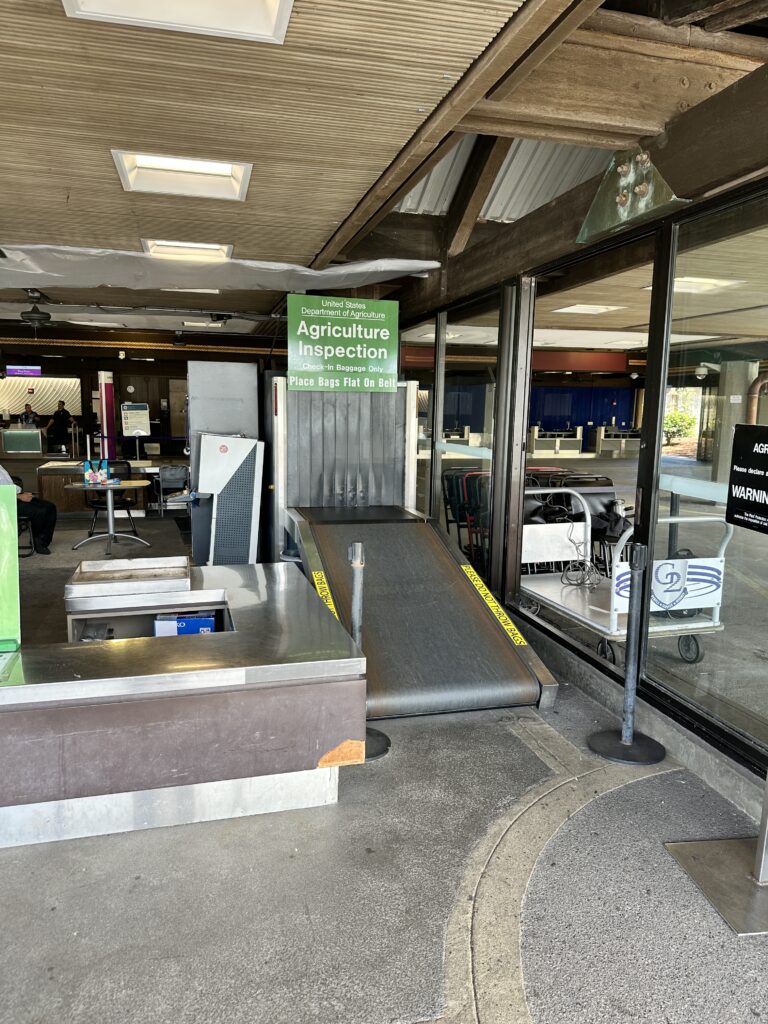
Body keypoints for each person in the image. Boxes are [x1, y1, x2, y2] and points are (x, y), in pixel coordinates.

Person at [0, 462, 57, 554]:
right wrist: (18, 497)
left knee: (50, 507)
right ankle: (37, 541)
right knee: (40, 511)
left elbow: (7, 485)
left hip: (14, 496)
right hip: (5, 504)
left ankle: (43, 540)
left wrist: (21, 493)